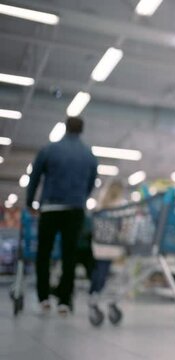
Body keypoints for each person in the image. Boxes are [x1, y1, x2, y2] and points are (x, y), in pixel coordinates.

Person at [26, 116, 98, 315]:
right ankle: (64, 301)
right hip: (75, 210)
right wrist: (81, 199)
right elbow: (92, 182)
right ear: (82, 130)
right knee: (69, 256)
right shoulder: (89, 154)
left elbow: (35, 176)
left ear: (65, 128)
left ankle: (43, 298)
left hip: (50, 208)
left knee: (44, 253)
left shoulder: (49, 149)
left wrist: (30, 201)